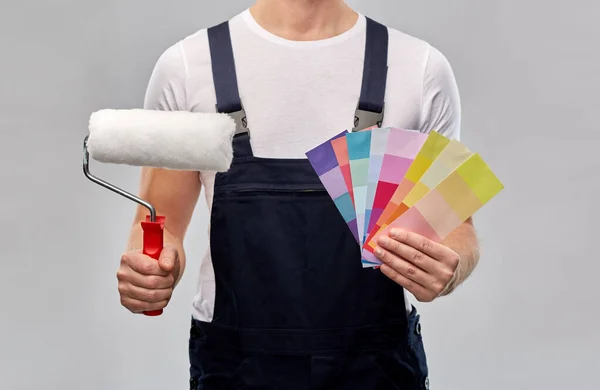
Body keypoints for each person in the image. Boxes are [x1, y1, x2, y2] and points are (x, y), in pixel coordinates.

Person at [116, 0, 480, 388]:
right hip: (237, 368)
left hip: (377, 368)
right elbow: (159, 223)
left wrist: (452, 266)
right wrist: (149, 271)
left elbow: (458, 229)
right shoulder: (188, 68)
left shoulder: (420, 68)